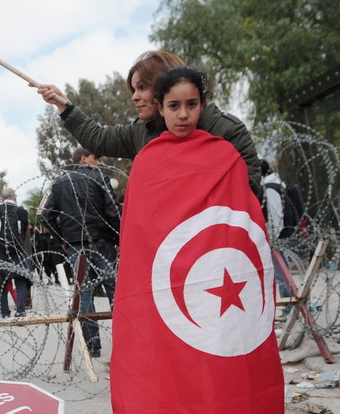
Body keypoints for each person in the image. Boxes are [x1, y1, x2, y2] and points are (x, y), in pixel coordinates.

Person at [111, 66, 283, 412]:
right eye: (174, 106)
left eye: (192, 104)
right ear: (160, 108)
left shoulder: (225, 154)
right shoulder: (146, 162)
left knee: (222, 359)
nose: (184, 114)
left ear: (203, 104)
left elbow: (241, 216)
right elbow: (140, 236)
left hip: (221, 272)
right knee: (174, 364)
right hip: (168, 284)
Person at [35, 50, 263, 200]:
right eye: (134, 89)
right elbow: (97, 138)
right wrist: (63, 104)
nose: (135, 97)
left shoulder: (226, 130)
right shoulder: (141, 133)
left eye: (143, 87)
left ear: (168, 83)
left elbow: (250, 192)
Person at [42, 146, 121, 357]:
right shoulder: (99, 178)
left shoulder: (60, 184)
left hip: (76, 244)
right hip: (102, 241)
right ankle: (125, 340)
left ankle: (93, 345)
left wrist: (63, 240)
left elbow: (46, 215)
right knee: (114, 288)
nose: (98, 162)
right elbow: (113, 211)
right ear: (84, 159)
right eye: (96, 158)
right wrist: (118, 238)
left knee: (84, 292)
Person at [0, 187, 32, 318]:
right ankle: (20, 310)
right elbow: (23, 232)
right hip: (17, 250)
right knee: (20, 280)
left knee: (1, 281)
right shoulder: (22, 211)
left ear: (2, 198)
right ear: (13, 196)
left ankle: (5, 312)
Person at [260, 159, 293, 300]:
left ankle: (289, 306)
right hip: (279, 236)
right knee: (283, 272)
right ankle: (291, 304)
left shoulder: (269, 187)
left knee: (281, 274)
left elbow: (275, 214)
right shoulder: (275, 184)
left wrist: (271, 239)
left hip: (275, 238)